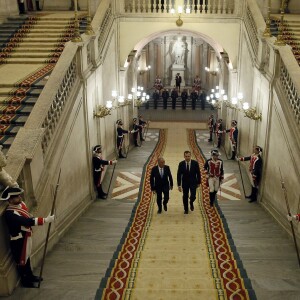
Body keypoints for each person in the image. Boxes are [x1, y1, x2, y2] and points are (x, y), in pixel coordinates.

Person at [1, 186, 55, 288]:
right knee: (22, 262)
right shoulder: (10, 213)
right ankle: (25, 281)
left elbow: (28, 216)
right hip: (18, 241)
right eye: (17, 197)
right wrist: (45, 220)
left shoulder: (20, 206)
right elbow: (26, 221)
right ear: (10, 200)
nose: (20, 197)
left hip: (25, 237)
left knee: (27, 258)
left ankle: (30, 276)